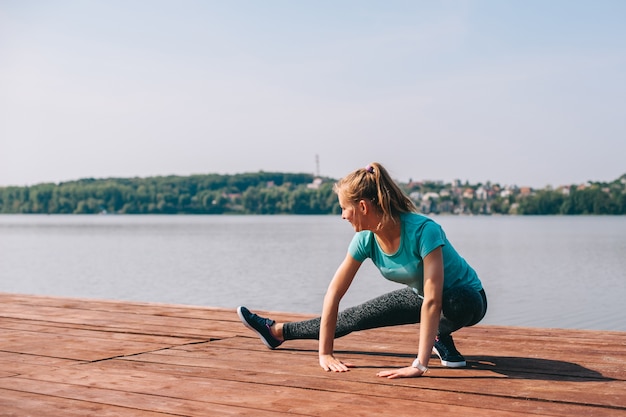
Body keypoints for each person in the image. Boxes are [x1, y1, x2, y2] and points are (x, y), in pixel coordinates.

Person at [238, 162, 487, 379]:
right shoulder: (365, 240)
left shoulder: (424, 231)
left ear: (363, 207)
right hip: (421, 296)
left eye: (344, 208)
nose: (342, 216)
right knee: (355, 316)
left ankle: (438, 336)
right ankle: (277, 332)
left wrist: (419, 365)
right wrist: (325, 354)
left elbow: (434, 300)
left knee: (456, 302)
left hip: (467, 298)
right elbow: (334, 294)